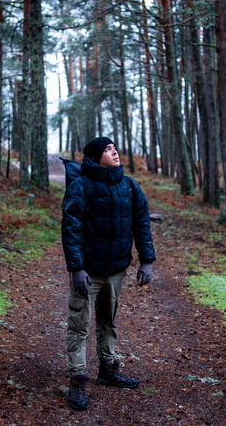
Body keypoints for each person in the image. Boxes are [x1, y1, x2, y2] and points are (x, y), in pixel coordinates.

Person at [61, 136, 156, 411]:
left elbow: (141, 223)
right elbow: (71, 229)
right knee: (79, 325)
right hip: (87, 271)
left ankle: (108, 369)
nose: (114, 152)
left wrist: (147, 261)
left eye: (115, 148)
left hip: (116, 269)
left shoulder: (128, 185)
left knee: (108, 321)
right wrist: (76, 268)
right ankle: (78, 377)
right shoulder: (81, 185)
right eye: (107, 149)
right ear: (94, 156)